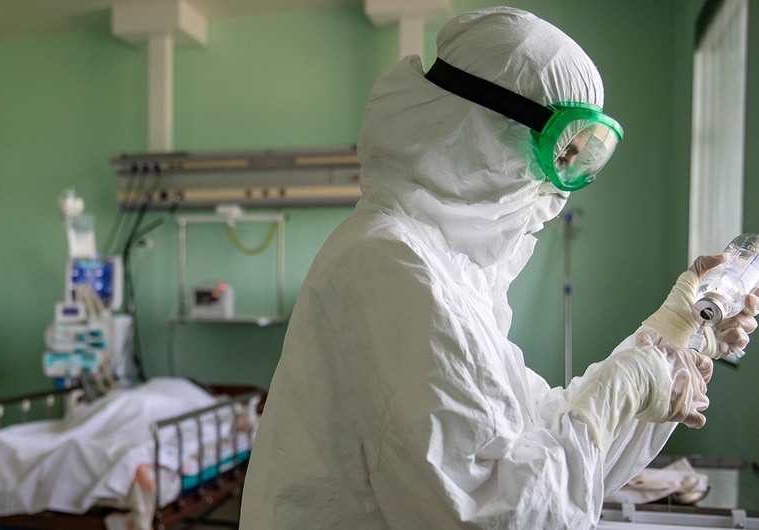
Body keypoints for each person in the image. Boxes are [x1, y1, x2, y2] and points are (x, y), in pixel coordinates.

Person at [239, 7, 759, 529]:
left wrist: (678, 335)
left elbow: (537, 437)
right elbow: (506, 514)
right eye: (560, 154)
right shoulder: (391, 264)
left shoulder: (448, 270)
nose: (558, 187)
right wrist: (623, 387)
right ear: (481, 127)